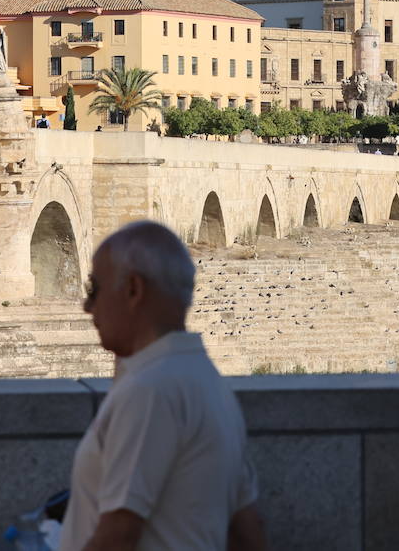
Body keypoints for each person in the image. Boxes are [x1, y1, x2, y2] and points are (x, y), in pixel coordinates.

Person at [60, 221, 266, 551]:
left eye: (94, 290)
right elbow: (246, 531)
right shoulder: (207, 380)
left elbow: (118, 536)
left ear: (133, 290)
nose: (87, 307)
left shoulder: (151, 390)